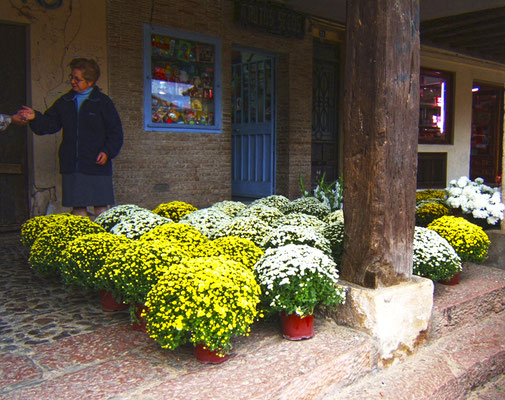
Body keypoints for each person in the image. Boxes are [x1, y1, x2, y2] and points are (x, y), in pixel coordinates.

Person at [19, 58, 123, 218]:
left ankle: (104, 241)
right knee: (78, 210)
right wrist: (34, 117)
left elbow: (115, 133)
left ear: (90, 82)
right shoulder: (65, 101)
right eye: (72, 77)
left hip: (97, 164)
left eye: (77, 79)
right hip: (73, 164)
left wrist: (107, 152)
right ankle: (80, 241)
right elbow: (49, 124)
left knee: (101, 210)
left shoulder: (103, 102)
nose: (72, 81)